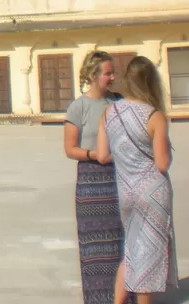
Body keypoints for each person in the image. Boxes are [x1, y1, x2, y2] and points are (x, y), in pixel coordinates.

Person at [96, 56, 178, 304]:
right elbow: (162, 164)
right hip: (153, 193)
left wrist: (125, 158)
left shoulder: (109, 112)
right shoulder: (154, 116)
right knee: (149, 255)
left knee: (131, 250)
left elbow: (101, 155)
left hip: (126, 190)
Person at [63, 51, 131, 304]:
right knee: (94, 246)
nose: (113, 77)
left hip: (122, 178)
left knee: (122, 241)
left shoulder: (120, 102)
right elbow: (71, 149)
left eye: (113, 73)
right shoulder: (78, 106)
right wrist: (97, 155)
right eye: (108, 73)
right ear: (93, 76)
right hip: (92, 182)